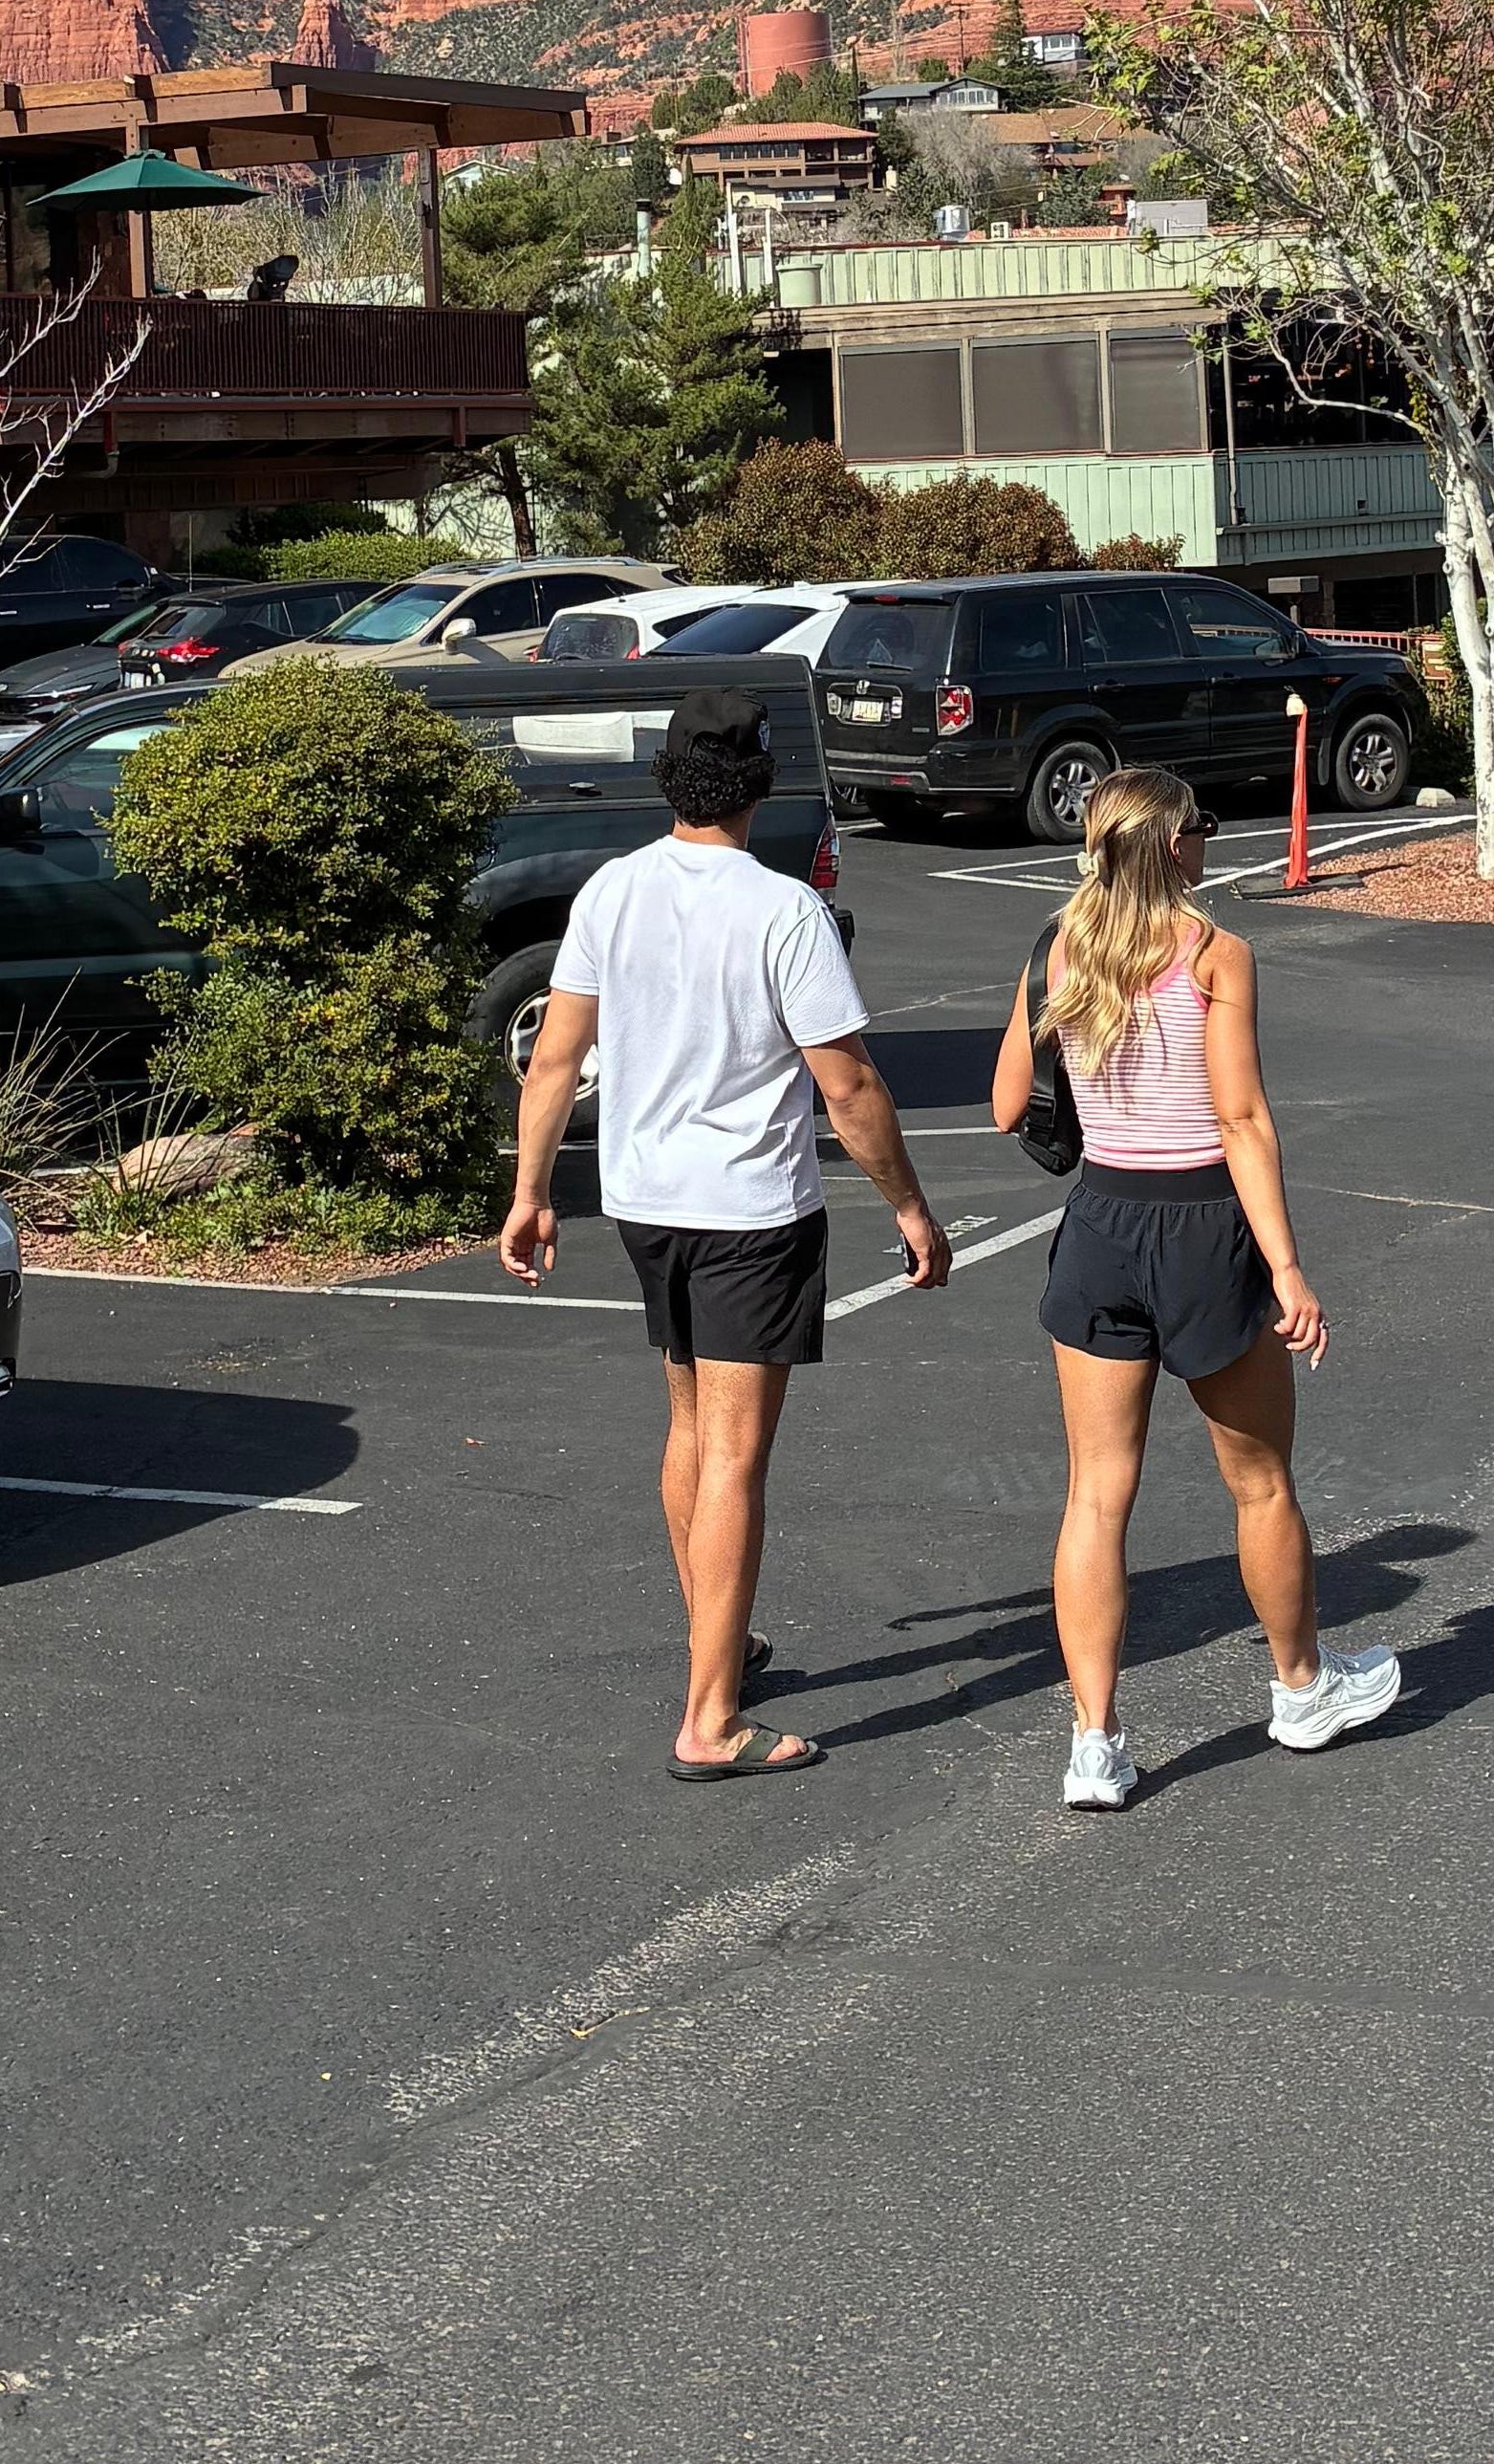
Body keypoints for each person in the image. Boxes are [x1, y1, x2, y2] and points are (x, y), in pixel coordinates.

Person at [501, 683, 951, 1779]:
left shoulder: (613, 892)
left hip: (646, 1202)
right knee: (737, 1457)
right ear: (759, 783)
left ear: (670, 779)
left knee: (692, 1427)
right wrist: (909, 1206)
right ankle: (711, 1720)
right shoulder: (781, 909)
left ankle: (721, 1637)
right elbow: (846, 1085)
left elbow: (554, 1058)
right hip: (749, 1212)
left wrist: (529, 1191)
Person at [991, 766, 1397, 1810]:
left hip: (1098, 1226)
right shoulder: (1217, 956)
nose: (1209, 841)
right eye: (1201, 828)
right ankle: (1301, 1689)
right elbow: (1242, 1121)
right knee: (1259, 1483)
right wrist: (1289, 1267)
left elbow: (1005, 1108)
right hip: (1202, 1224)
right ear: (1173, 846)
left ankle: (1095, 1744)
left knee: (1095, 1495)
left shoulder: (1057, 949)